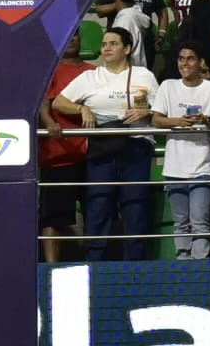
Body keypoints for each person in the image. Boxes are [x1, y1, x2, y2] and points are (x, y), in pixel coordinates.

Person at [52, 27, 158, 261]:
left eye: (113, 43)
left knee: (135, 206)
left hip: (136, 145)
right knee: (99, 205)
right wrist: (82, 108)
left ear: (127, 48)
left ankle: (135, 266)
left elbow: (160, 111)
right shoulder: (92, 76)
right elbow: (58, 102)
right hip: (102, 147)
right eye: (104, 44)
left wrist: (145, 112)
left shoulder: (144, 75)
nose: (106, 48)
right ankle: (94, 263)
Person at [150, 42, 210, 260]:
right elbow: (156, 119)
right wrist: (179, 122)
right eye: (181, 58)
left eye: (190, 58)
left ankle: (201, 266)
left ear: (200, 63)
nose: (184, 63)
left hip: (203, 165)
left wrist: (208, 120)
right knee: (181, 223)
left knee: (200, 221)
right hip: (175, 167)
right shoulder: (168, 86)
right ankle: (183, 263)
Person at [37, 33, 93, 263]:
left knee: (96, 214)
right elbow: (42, 102)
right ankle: (50, 268)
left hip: (91, 157)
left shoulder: (93, 71)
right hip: (58, 155)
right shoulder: (51, 69)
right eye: (67, 36)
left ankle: (95, 263)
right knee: (52, 217)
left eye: (76, 36)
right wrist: (50, 123)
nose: (71, 40)